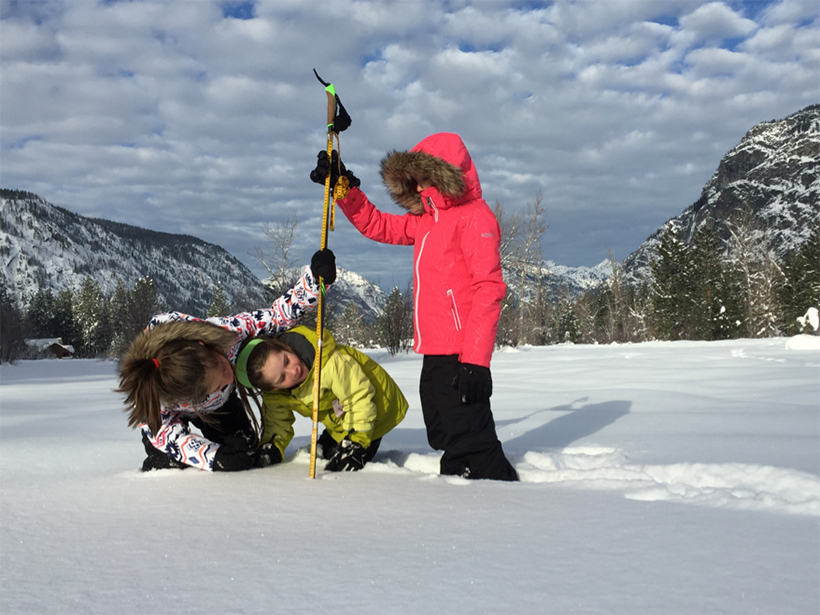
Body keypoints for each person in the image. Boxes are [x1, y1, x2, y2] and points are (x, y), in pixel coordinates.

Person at [310, 133, 518, 481]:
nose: (419, 187)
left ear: (443, 175)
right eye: (415, 180)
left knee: (470, 439)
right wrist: (344, 190)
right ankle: (460, 484)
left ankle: (490, 494)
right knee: (442, 429)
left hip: (461, 351)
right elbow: (378, 224)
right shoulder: (426, 221)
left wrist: (476, 363)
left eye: (424, 177)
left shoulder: (475, 217)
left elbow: (489, 289)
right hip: (434, 348)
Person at [117, 249, 337, 472]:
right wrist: (211, 457)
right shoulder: (151, 393)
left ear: (206, 347)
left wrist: (314, 282)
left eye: (223, 365)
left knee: (242, 451)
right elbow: (165, 435)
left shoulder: (225, 334)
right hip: (172, 421)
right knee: (168, 462)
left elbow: (277, 317)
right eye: (220, 385)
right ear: (196, 396)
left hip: (218, 408)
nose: (231, 376)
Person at [235, 324, 408, 472]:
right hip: (340, 418)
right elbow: (276, 423)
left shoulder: (329, 364)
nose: (293, 371)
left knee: (345, 465)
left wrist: (356, 442)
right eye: (282, 378)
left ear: (284, 347)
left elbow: (358, 397)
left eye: (287, 361)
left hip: (376, 410)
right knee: (326, 452)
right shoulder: (276, 395)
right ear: (274, 388)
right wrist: (271, 447)